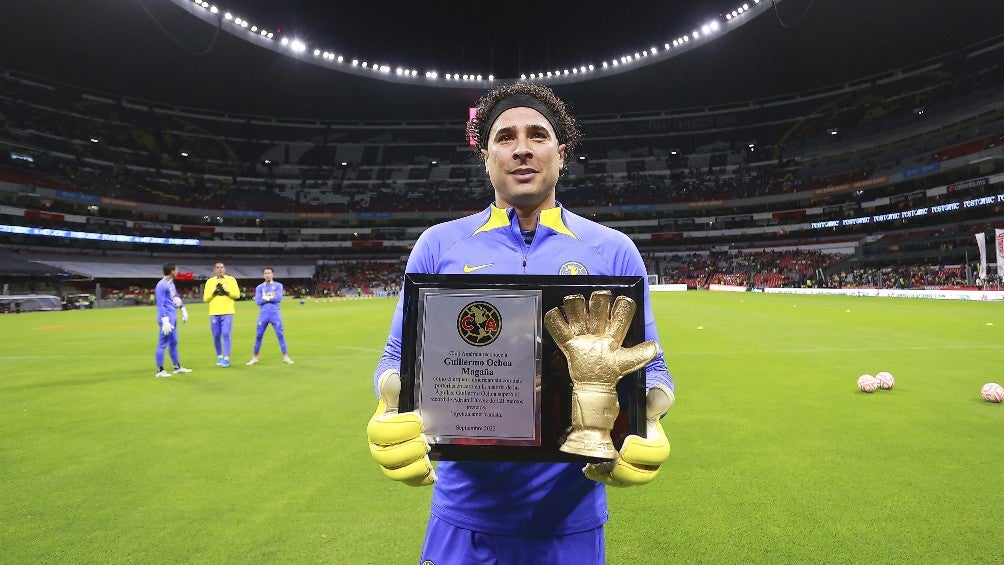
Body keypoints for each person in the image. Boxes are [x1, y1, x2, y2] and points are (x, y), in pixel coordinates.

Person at [366, 83, 675, 564]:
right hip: (463, 518)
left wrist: (649, 418)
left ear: (561, 152)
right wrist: (390, 405)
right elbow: (395, 359)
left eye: (538, 135)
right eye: (506, 137)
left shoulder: (611, 249)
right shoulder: (439, 246)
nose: (523, 148)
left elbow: (651, 367)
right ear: (486, 157)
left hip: (570, 519)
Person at [246, 267, 294, 365]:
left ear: (272, 274)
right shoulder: (259, 287)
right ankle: (255, 357)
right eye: (265, 273)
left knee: (280, 335)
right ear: (263, 275)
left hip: (275, 314)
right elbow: (258, 302)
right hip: (263, 315)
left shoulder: (278, 285)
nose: (267, 275)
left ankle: (285, 357)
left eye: (269, 273)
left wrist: (265, 297)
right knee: (259, 336)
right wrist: (271, 297)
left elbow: (278, 299)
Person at [154, 262, 192, 377]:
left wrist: (183, 309)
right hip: (166, 319)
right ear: (171, 271)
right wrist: (165, 320)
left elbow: (175, 297)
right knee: (162, 343)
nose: (178, 272)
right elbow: (160, 304)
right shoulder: (161, 285)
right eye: (176, 270)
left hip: (173, 317)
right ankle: (160, 370)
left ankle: (177, 367)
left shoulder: (171, 284)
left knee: (174, 343)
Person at [202, 260, 240, 368]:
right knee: (216, 335)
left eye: (221, 267)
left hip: (227, 311)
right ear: (214, 270)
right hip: (214, 312)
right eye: (217, 267)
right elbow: (205, 298)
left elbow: (237, 295)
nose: (220, 269)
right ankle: (219, 356)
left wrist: (227, 292)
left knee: (226, 333)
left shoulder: (231, 280)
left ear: (225, 269)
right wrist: (214, 293)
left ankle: (226, 358)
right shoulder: (210, 282)